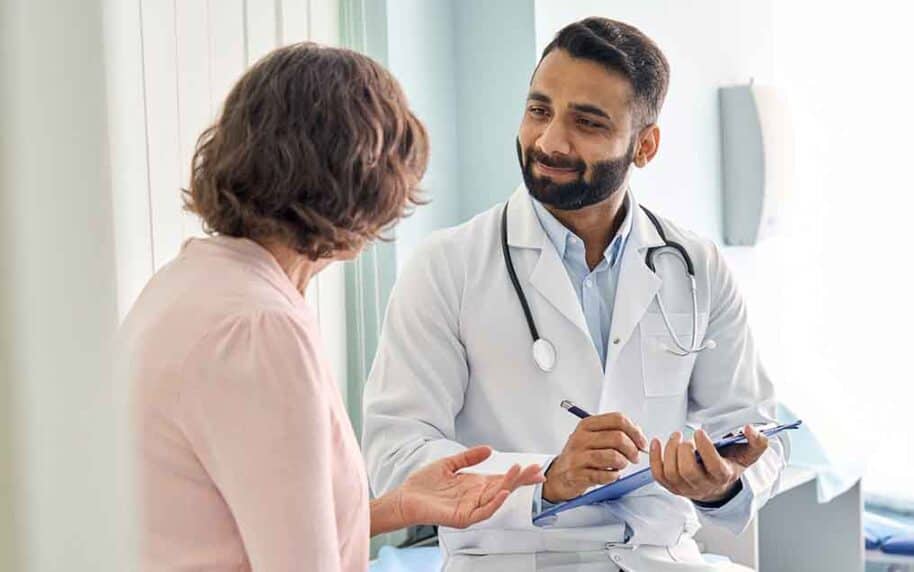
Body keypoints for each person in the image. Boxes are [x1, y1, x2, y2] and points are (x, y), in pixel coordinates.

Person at [361, 17, 787, 571]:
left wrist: (721, 483)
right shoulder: (448, 266)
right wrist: (548, 477)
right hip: (511, 559)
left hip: (661, 558)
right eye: (539, 110)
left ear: (645, 145)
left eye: (587, 123)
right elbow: (396, 457)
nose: (550, 141)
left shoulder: (696, 266)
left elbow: (760, 435)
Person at [118, 43, 543, 571]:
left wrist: (398, 507)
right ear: (362, 186)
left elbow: (246, 526)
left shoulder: (188, 283)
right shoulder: (261, 328)